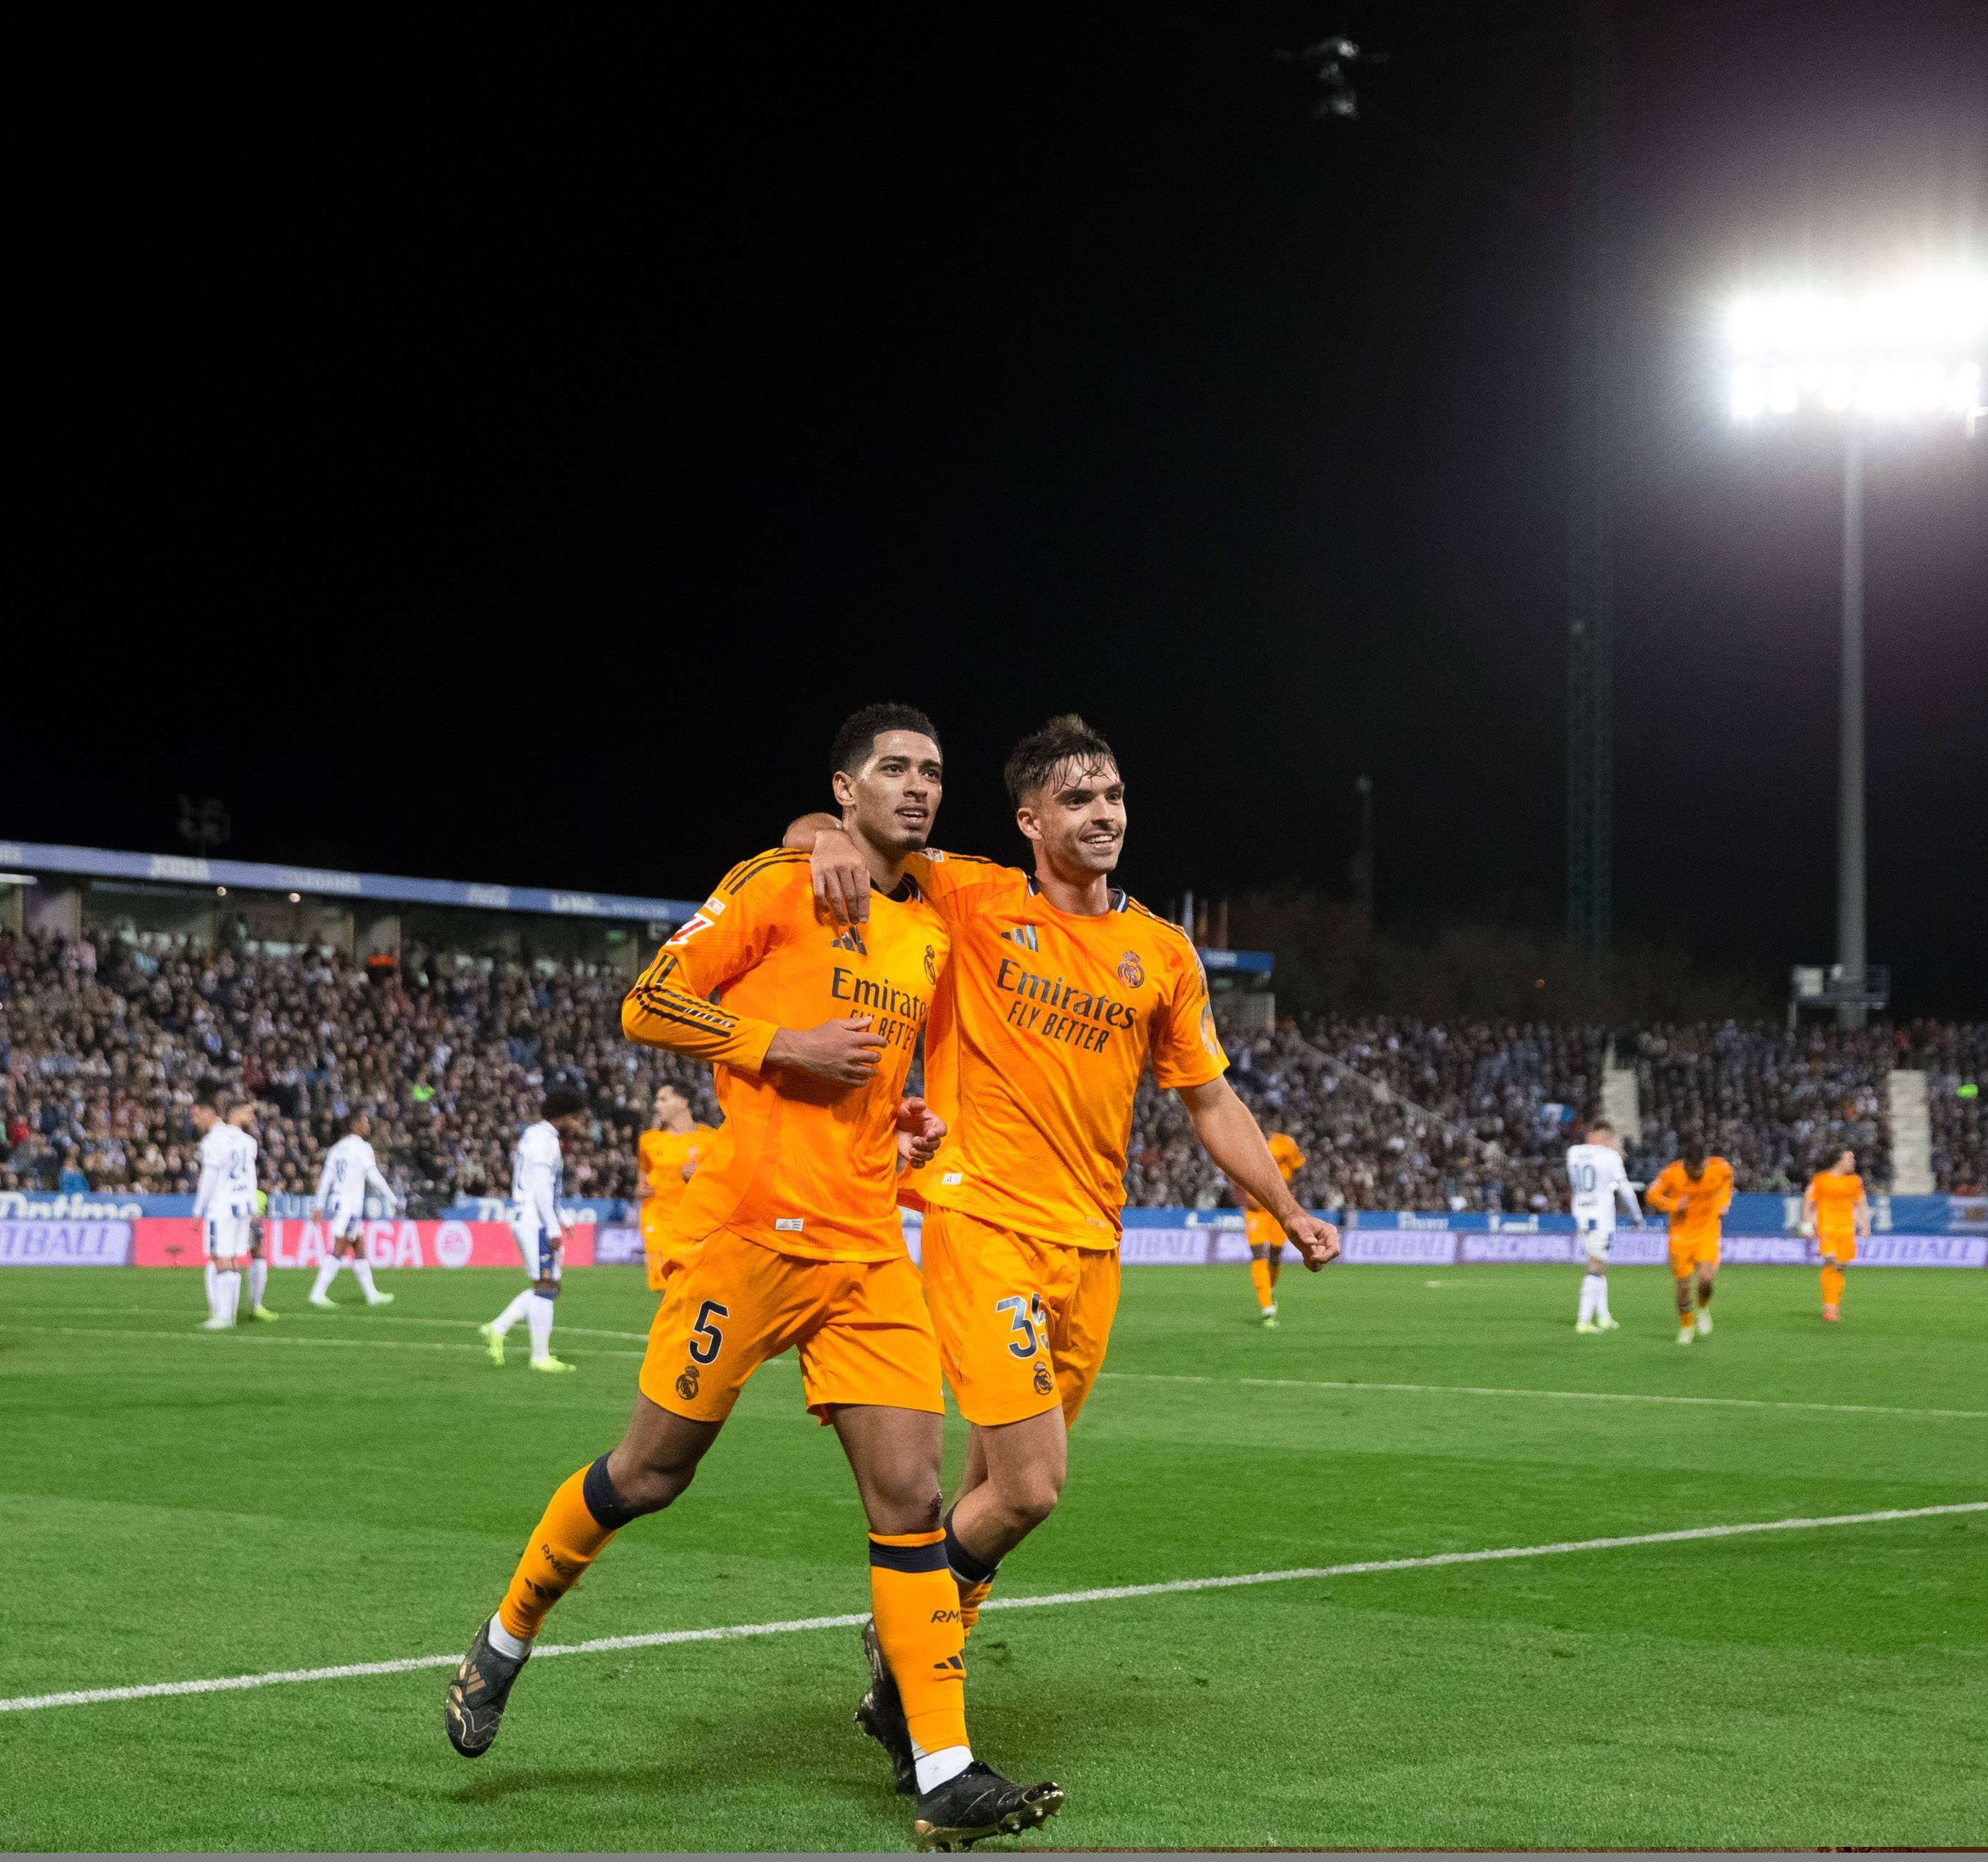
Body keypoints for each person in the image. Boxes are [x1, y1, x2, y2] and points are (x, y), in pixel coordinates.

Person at [447, 706, 1063, 1850]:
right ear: (845, 790)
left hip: (870, 1248)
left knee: (914, 1506)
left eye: (932, 771)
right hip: (750, 1241)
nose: (920, 787)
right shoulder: (782, 885)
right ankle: (506, 1635)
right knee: (647, 1474)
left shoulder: (927, 927)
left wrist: (903, 1119)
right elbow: (648, 1002)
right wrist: (783, 1048)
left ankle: (944, 1769)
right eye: (894, 769)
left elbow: (875, 1080)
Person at [785, 711, 1338, 1801]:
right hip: (980, 1218)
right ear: (1032, 819)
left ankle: (906, 1674)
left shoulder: (1162, 953)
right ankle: (910, 1667)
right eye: (1079, 800)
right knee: (1034, 1488)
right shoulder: (974, 895)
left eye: (1116, 797)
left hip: (1093, 1243)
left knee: (995, 1490)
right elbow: (822, 827)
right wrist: (830, 840)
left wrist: (1285, 1204)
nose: (1104, 815)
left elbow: (1210, 1099)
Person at [478, 1089, 589, 1372]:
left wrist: (561, 1216)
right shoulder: (547, 1142)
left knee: (550, 1285)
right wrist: (553, 1226)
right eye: (576, 1117)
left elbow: (537, 1184)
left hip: (530, 1216)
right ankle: (540, 1357)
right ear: (564, 1115)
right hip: (535, 1220)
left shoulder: (534, 1135)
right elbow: (539, 1187)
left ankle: (499, 1327)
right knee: (545, 1287)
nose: (578, 1123)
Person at [1645, 1138, 1733, 1344]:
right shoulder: (1672, 1173)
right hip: (1680, 1237)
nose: (1699, 1172)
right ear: (1687, 1164)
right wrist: (1674, 1204)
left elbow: (1729, 1179)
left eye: (1702, 1166)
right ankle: (1686, 1326)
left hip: (1707, 1232)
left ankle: (1702, 1307)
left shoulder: (1718, 1167)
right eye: (1695, 1169)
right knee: (1683, 1286)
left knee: (1706, 1279)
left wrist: (1724, 1202)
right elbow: (1651, 1195)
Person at [631, 1081, 714, 1300]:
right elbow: (641, 1182)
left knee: (696, 1291)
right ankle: (669, 1334)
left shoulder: (710, 1140)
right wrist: (639, 1189)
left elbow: (726, 1185)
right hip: (658, 1224)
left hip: (696, 1227)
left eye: (663, 1099)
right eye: (657, 1100)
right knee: (667, 1293)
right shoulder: (648, 1141)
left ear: (683, 1102)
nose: (657, 1105)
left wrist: (701, 1176)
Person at [308, 1110, 397, 1308]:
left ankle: (372, 1294)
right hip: (349, 1206)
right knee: (339, 1248)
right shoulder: (362, 1148)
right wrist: (392, 1197)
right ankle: (317, 1293)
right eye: (364, 1121)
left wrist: (319, 1205)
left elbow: (326, 1179)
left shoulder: (337, 1149)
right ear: (355, 1125)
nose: (368, 1125)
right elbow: (373, 1175)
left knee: (359, 1247)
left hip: (339, 1203)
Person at [191, 1090, 261, 1330]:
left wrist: (198, 1210)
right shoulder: (247, 1141)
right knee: (231, 1259)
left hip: (221, 1207)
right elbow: (252, 1177)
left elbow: (209, 1178)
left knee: (220, 1258)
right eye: (248, 1111)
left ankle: (223, 1316)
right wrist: (253, 1206)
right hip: (242, 1206)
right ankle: (226, 1314)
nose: (252, 1115)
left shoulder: (214, 1141)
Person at [1565, 1117, 1639, 1334]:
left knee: (1599, 1264)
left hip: (1581, 1214)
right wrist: (1636, 1214)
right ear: (1606, 1138)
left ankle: (1604, 1316)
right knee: (1596, 1267)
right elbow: (1624, 1189)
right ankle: (1584, 1321)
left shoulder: (1573, 1152)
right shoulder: (1610, 1156)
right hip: (1601, 1217)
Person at [1244, 1131, 1308, 1327]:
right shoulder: (1245, 1143)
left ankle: (1269, 1289)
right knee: (1258, 1254)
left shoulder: (1285, 1143)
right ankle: (1267, 1308)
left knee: (1275, 1254)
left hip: (1279, 1208)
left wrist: (1288, 1190)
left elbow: (1298, 1168)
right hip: (1256, 1208)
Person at [1802, 1146, 1869, 1322]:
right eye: (1850, 1159)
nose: (1853, 1162)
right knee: (1831, 1262)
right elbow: (1809, 1201)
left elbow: (1861, 1204)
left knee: (1840, 1268)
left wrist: (1865, 1226)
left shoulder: (1855, 1181)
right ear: (1839, 1161)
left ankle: (1833, 1305)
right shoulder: (1821, 1179)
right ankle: (1829, 1307)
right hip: (1826, 1228)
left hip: (1847, 1230)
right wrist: (1807, 1224)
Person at [229, 1099, 277, 1322]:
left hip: (249, 1201)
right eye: (248, 1113)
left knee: (258, 1251)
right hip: (229, 1204)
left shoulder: (250, 1141)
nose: (252, 1117)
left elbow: (250, 1175)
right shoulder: (222, 1138)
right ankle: (225, 1308)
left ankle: (256, 1306)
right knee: (226, 1256)